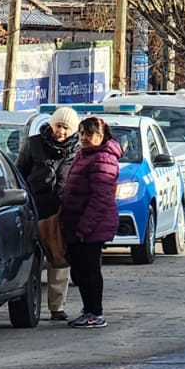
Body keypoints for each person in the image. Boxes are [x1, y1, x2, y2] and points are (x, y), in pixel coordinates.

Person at [16, 106, 80, 320]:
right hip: (32, 207)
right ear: (52, 124)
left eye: (66, 128)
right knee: (29, 258)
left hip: (58, 210)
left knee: (58, 259)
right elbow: (20, 172)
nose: (61, 132)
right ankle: (23, 303)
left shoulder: (77, 150)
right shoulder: (34, 144)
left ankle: (57, 306)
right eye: (58, 126)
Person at [59, 115, 121, 329]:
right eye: (82, 133)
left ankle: (96, 312)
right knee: (79, 269)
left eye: (89, 134)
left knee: (89, 269)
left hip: (91, 226)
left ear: (101, 135)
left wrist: (84, 228)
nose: (84, 138)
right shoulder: (84, 154)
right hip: (77, 223)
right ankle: (89, 309)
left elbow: (100, 198)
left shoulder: (103, 159)